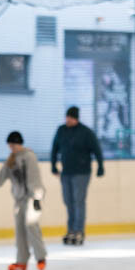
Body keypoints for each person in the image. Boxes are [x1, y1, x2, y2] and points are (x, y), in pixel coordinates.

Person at [0, 131, 47, 270]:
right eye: (10, 145)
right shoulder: (11, 160)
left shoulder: (29, 157)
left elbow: (34, 179)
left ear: (19, 143)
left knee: (31, 226)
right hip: (19, 200)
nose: (11, 148)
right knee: (20, 232)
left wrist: (37, 197)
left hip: (31, 198)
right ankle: (21, 261)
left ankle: (41, 257)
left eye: (13, 145)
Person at [50, 105, 105, 246]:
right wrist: (53, 165)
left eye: (71, 118)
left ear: (76, 118)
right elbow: (55, 148)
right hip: (66, 172)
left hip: (81, 172)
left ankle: (79, 230)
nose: (68, 120)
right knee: (68, 202)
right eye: (67, 117)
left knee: (78, 201)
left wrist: (100, 166)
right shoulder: (61, 130)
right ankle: (71, 230)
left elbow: (97, 149)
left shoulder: (85, 132)